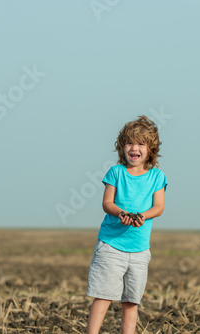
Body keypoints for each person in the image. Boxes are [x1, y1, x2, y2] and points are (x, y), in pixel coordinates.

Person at [86, 115, 168, 334]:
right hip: (111, 246)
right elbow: (107, 203)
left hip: (140, 251)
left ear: (150, 149)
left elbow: (158, 207)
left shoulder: (157, 177)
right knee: (103, 296)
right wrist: (122, 213)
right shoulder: (116, 172)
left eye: (141, 143)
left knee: (131, 302)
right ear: (122, 147)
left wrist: (141, 215)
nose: (135, 148)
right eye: (130, 143)